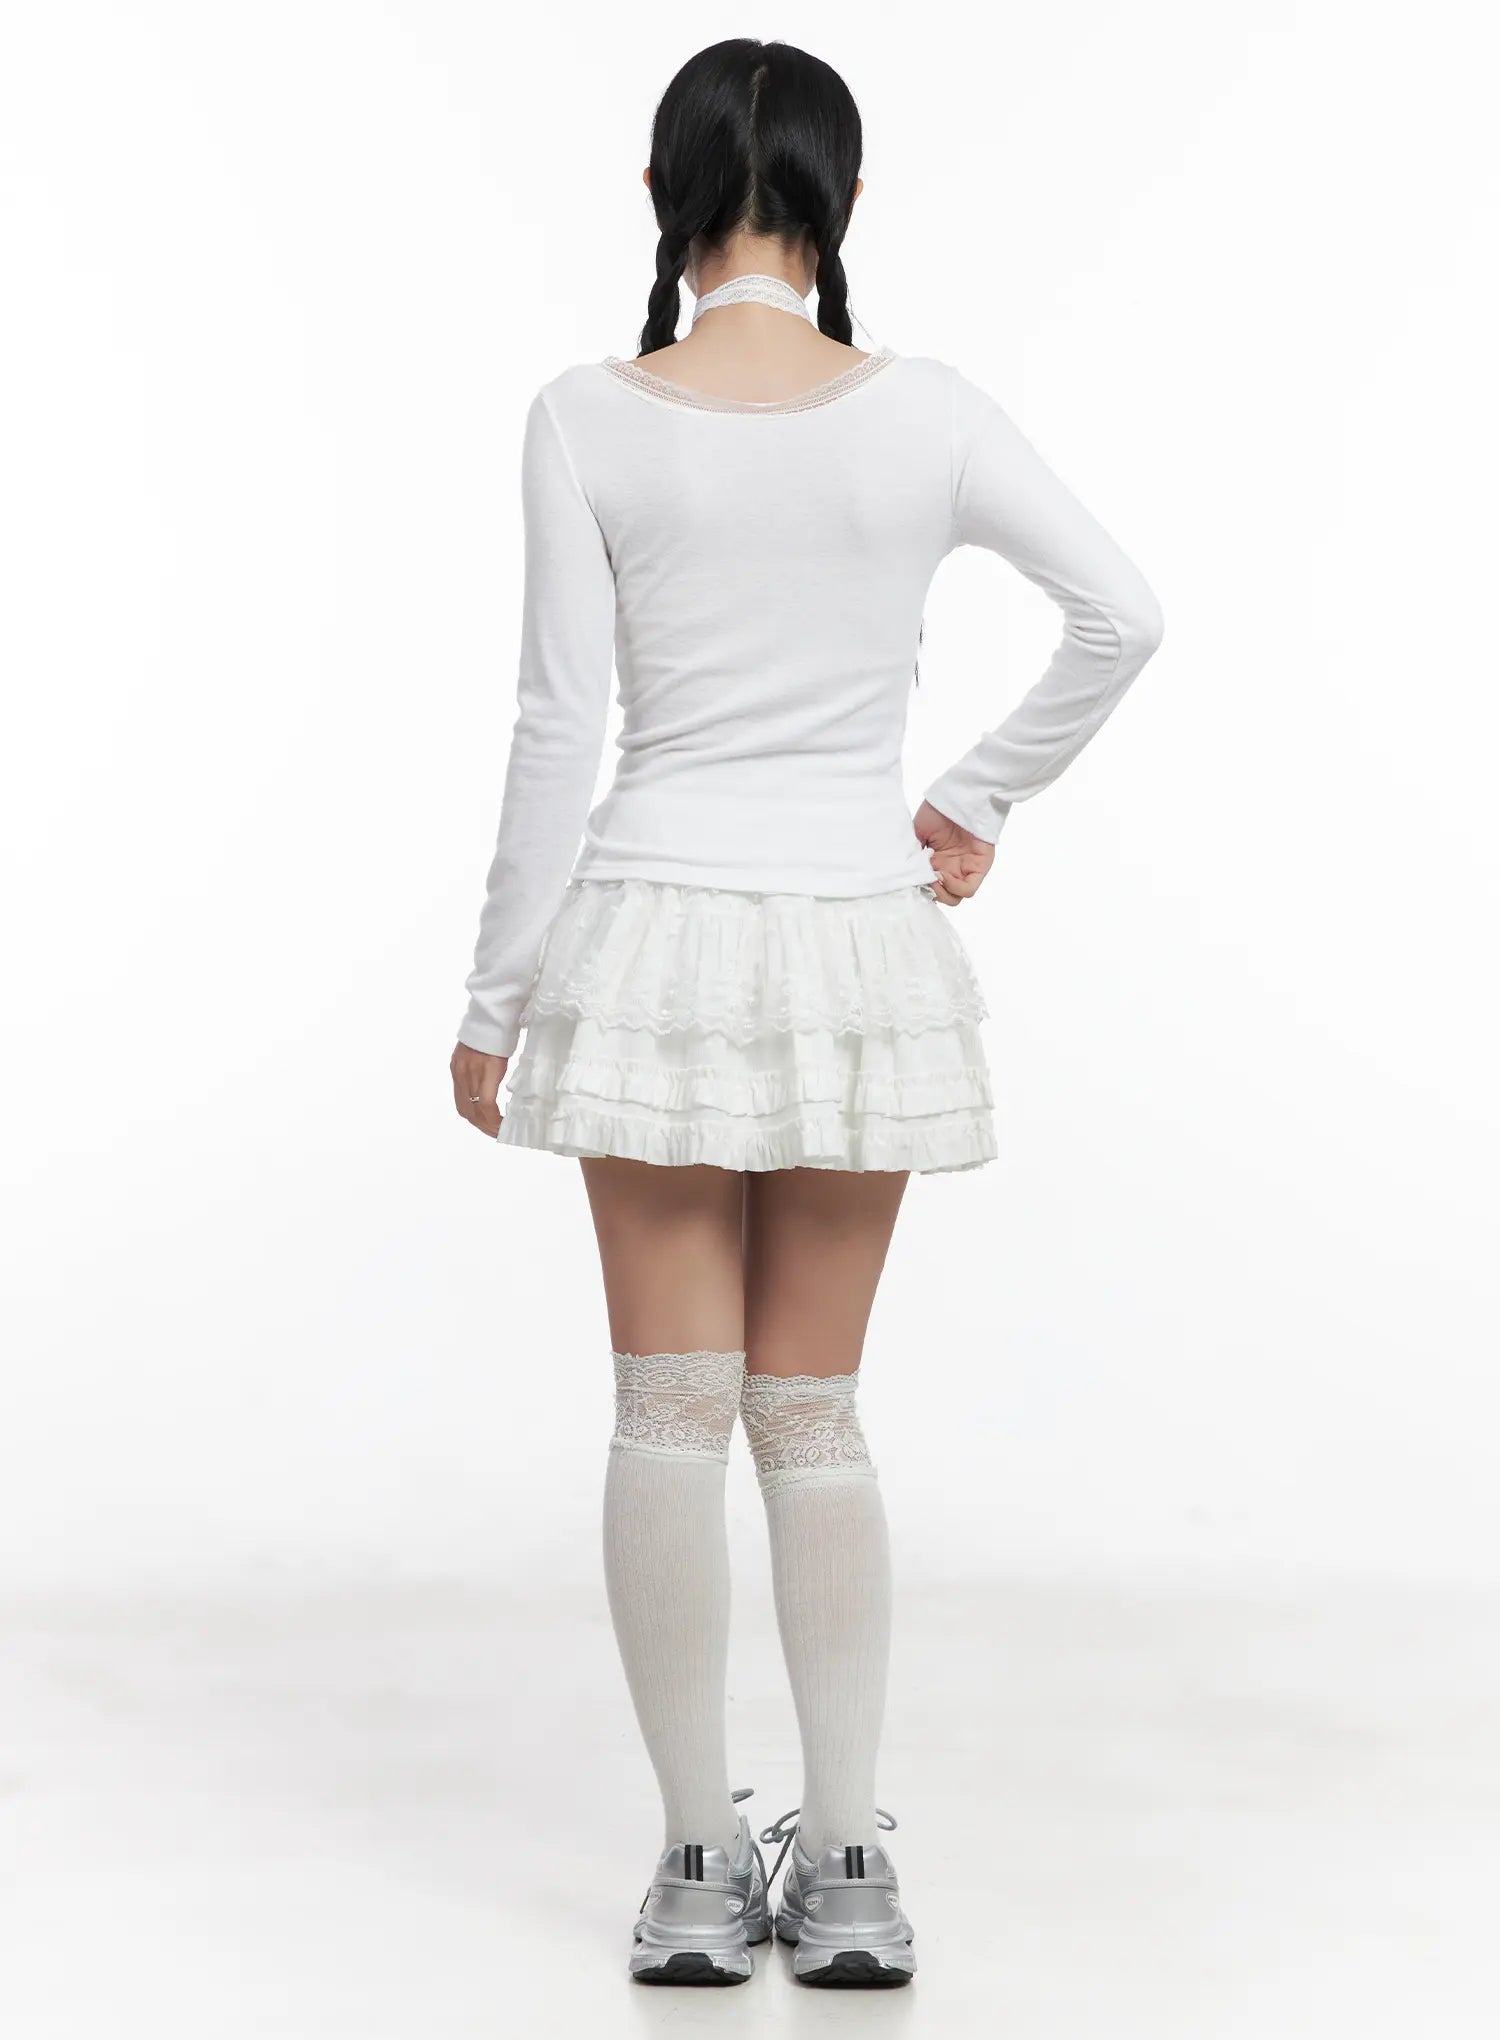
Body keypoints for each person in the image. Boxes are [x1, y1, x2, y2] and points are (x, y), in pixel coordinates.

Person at [450, 37, 1163, 1989]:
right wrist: (978, 796)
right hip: (857, 942)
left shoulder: (586, 417)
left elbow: (556, 727)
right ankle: (847, 1866)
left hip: (651, 941)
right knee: (813, 1414)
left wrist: (496, 998)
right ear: (841, 201)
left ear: (662, 197)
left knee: (669, 1412)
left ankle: (697, 1866)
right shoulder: (925, 413)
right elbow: (1124, 613)